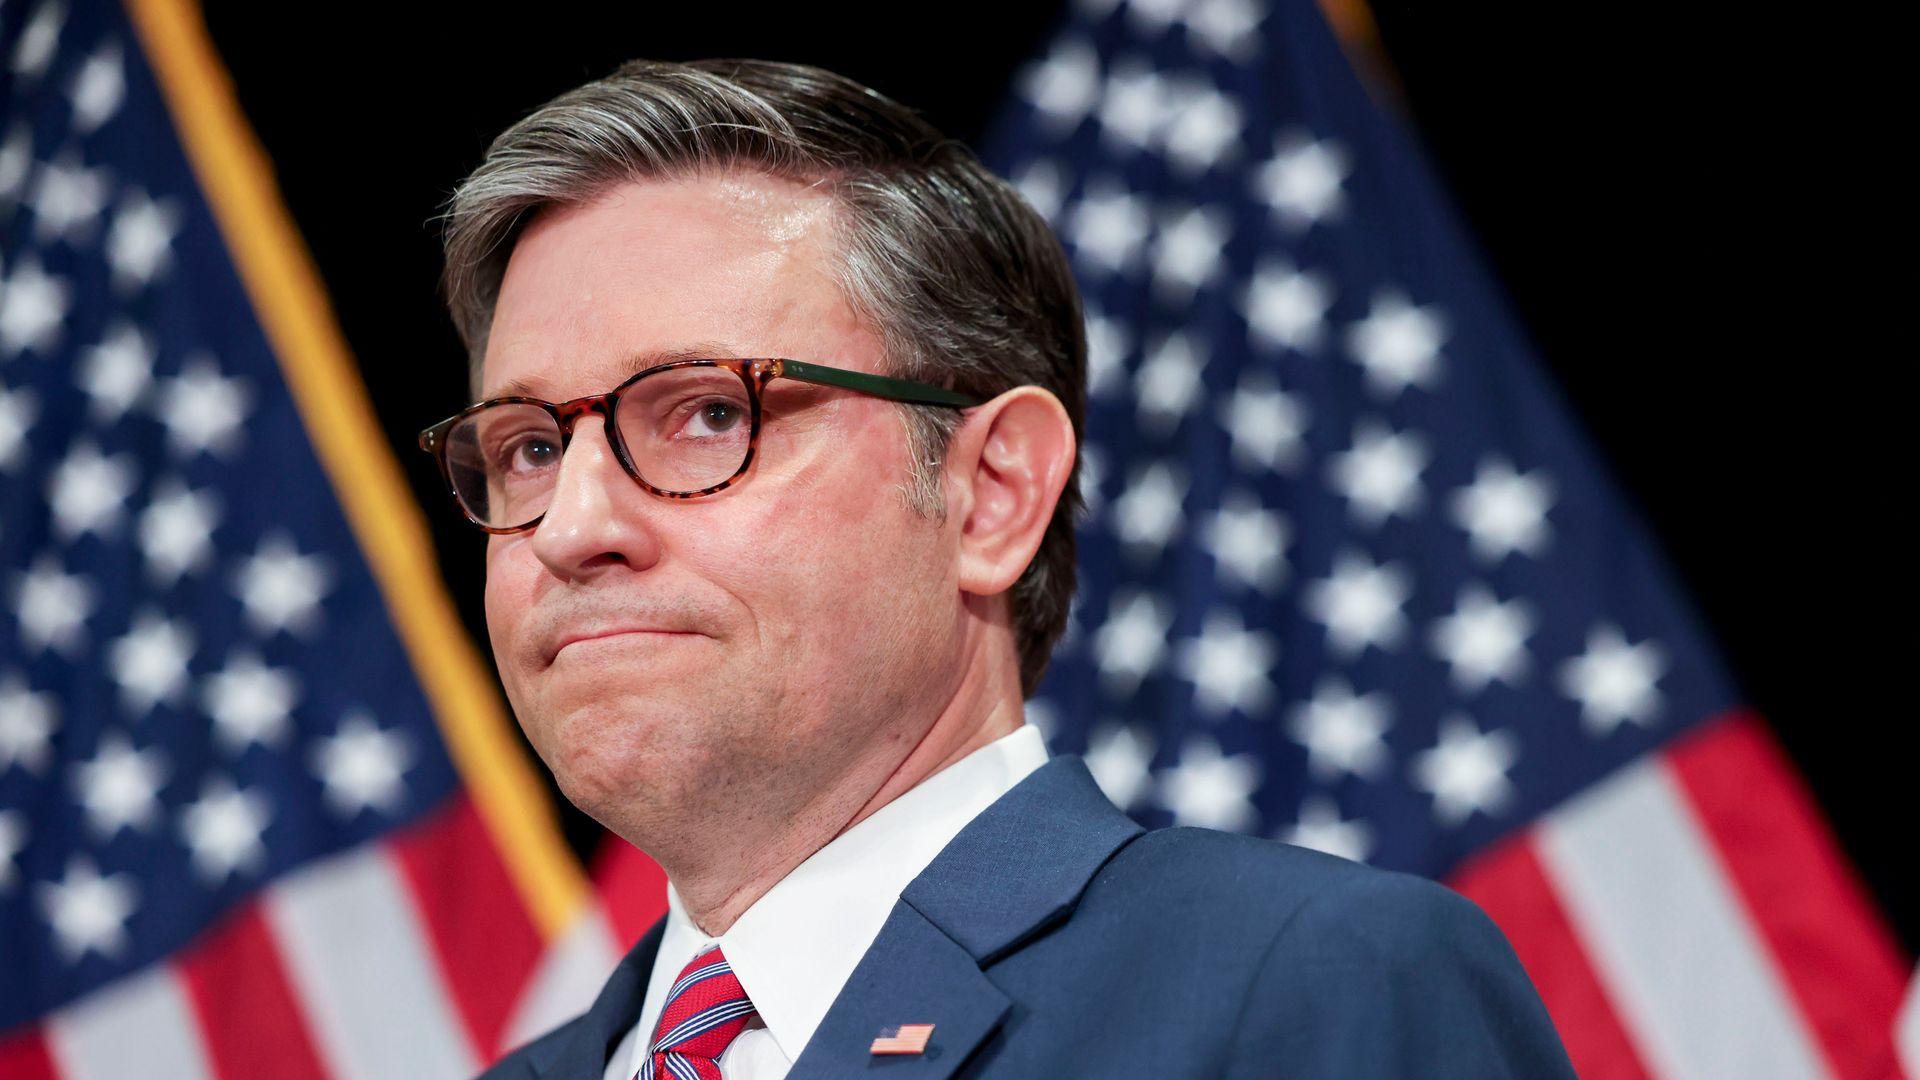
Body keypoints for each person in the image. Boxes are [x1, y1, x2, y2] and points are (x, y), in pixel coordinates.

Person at [420, 58, 1577, 1080]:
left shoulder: (1310, 985)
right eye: (528, 449)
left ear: (992, 494)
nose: (571, 528)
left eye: (711, 413)